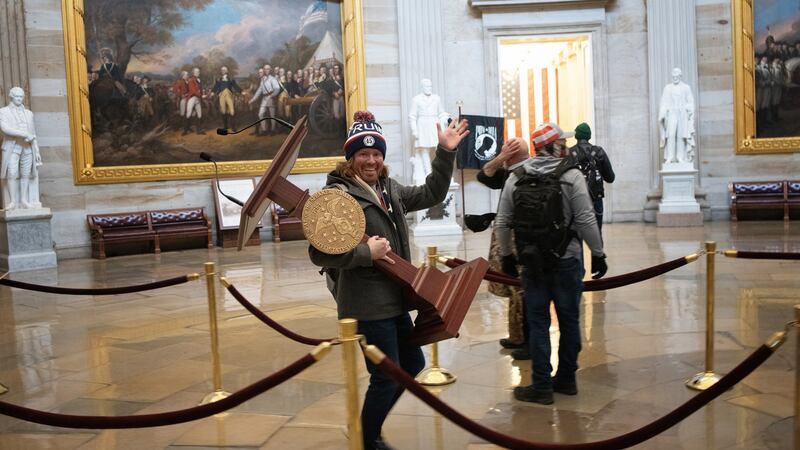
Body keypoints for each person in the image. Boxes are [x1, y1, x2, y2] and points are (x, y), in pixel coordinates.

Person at [308, 111, 469, 450]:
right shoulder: (338, 195)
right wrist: (367, 254)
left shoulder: (389, 188)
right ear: (350, 158)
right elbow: (319, 254)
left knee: (411, 363)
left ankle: (368, 430)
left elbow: (432, 193)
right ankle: (367, 440)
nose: (370, 160)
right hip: (366, 303)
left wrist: (446, 153)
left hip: (395, 299)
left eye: (376, 154)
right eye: (363, 154)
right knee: (386, 375)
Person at [495, 122, 607, 405]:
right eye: (563, 142)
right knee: (570, 321)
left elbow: (503, 221)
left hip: (532, 263)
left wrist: (508, 256)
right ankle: (567, 379)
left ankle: (542, 385)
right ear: (556, 146)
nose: (567, 146)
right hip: (567, 260)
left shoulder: (516, 176)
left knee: (538, 322)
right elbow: (585, 219)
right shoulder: (572, 176)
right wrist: (599, 252)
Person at [476, 138, 531, 357]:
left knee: (521, 290)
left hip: (519, 240)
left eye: (506, 150)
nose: (501, 153)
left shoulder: (526, 172)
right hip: (508, 237)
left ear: (512, 155)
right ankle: (517, 336)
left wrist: (503, 157)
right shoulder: (510, 171)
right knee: (514, 289)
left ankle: (528, 341)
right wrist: (502, 158)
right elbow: (484, 174)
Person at [0, 87, 42, 210]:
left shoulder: (29, 113)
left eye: (21, 97)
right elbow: (5, 129)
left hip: (28, 148)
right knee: (12, 173)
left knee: (26, 174)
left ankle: (23, 199)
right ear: (11, 97)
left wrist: (37, 151)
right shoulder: (3, 112)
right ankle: (13, 201)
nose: (19, 99)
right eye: (16, 97)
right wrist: (24, 134)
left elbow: (33, 133)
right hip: (12, 147)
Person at [568, 123, 615, 231]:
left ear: (576, 136)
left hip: (576, 199)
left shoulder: (570, 153)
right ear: (589, 135)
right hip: (596, 198)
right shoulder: (599, 152)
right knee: (597, 237)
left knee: (576, 237)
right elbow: (610, 178)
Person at [408, 79, 449, 184]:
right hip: (422, 124)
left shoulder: (436, 98)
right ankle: (428, 173)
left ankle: (438, 171)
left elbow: (441, 112)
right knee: (424, 150)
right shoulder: (416, 99)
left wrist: (445, 118)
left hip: (434, 123)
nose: (429, 88)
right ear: (422, 87)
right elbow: (412, 116)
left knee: (437, 148)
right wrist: (414, 130)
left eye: (430, 86)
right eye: (427, 87)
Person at [658, 68, 695, 165]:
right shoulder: (667, 88)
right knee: (670, 135)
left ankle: (680, 157)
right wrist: (662, 113)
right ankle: (670, 157)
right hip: (671, 114)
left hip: (682, 113)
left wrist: (687, 108)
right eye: (673, 76)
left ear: (680, 76)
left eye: (677, 76)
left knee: (680, 136)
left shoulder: (686, 88)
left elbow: (690, 102)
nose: (675, 78)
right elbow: (663, 103)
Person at [249, 64, 280, 135]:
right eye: (265, 69)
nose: (266, 70)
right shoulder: (262, 80)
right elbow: (259, 91)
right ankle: (264, 130)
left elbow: (277, 89)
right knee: (260, 114)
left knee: (272, 116)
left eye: (268, 69)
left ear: (270, 70)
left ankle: (272, 130)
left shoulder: (272, 79)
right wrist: (252, 99)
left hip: (271, 98)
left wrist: (272, 95)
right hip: (264, 99)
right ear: (264, 70)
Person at [212, 66, 243, 132]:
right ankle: (225, 127)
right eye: (222, 70)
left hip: (229, 95)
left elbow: (236, 86)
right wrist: (212, 92)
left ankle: (233, 127)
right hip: (222, 96)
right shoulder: (219, 80)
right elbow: (215, 87)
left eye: (224, 70)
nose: (223, 71)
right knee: (223, 111)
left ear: (227, 71)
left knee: (232, 111)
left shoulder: (231, 79)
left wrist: (241, 91)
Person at [184, 67, 205, 135]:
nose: (198, 73)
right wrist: (201, 95)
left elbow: (200, 90)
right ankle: (185, 130)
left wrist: (203, 94)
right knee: (188, 114)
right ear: (193, 73)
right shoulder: (191, 80)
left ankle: (199, 131)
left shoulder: (199, 80)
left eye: (199, 71)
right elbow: (193, 90)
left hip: (198, 99)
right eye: (197, 72)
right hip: (192, 98)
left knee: (199, 114)